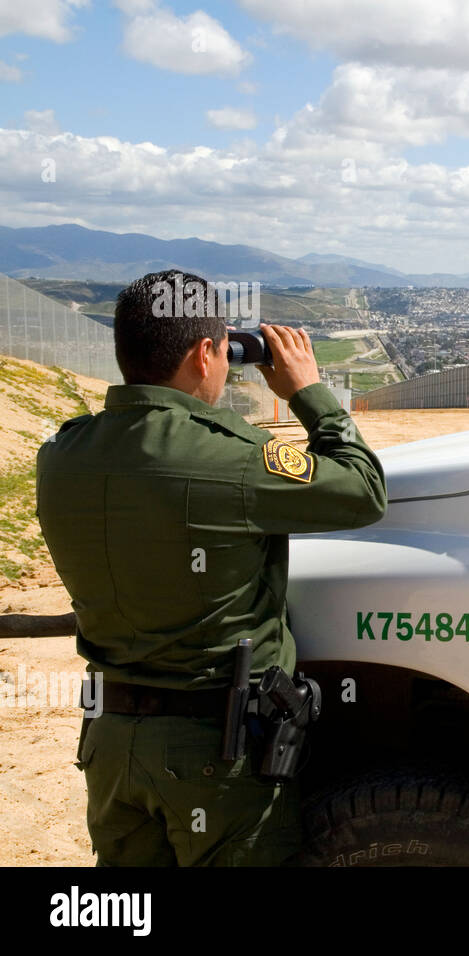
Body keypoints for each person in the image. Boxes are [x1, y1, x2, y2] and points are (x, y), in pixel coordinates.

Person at [35, 270, 387, 866]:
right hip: (215, 755)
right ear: (204, 353)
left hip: (110, 746)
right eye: (225, 350)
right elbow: (362, 488)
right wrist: (308, 391)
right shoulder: (234, 458)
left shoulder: (61, 455)